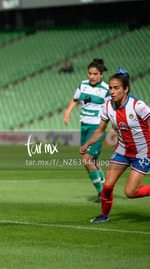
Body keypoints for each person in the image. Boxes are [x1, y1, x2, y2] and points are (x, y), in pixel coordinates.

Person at [79, 68, 150, 223]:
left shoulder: (138, 106)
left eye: (116, 88)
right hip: (122, 152)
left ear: (126, 89)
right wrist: (87, 145)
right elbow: (100, 130)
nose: (112, 91)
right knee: (108, 186)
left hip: (142, 154)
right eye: (110, 88)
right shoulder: (107, 107)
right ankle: (104, 215)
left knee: (130, 192)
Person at [63, 58, 110, 203]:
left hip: (97, 128)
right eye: (90, 73)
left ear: (101, 75)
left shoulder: (106, 89)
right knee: (94, 162)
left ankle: (102, 194)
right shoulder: (83, 85)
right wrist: (68, 112)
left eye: (95, 74)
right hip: (83, 126)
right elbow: (75, 99)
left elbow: (111, 109)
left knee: (86, 160)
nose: (92, 76)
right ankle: (105, 191)